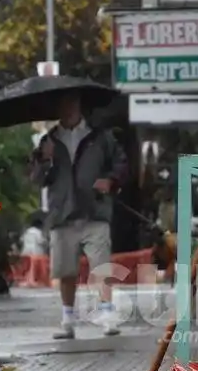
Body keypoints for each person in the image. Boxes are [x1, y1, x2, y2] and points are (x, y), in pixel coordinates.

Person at [30, 92, 128, 339]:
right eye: (64, 104)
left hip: (95, 211)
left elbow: (121, 163)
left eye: (73, 102)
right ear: (58, 108)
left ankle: (107, 314)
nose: (69, 108)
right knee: (66, 271)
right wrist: (44, 159)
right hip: (62, 214)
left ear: (80, 105)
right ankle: (67, 318)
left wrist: (111, 180)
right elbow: (37, 179)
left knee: (101, 267)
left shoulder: (100, 136)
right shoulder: (48, 140)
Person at [20, 213, 48, 287]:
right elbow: (40, 241)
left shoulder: (27, 231)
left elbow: (21, 240)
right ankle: (34, 281)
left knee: (28, 268)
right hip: (36, 253)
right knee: (34, 268)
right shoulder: (38, 232)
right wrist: (46, 241)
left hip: (26, 251)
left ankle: (27, 280)